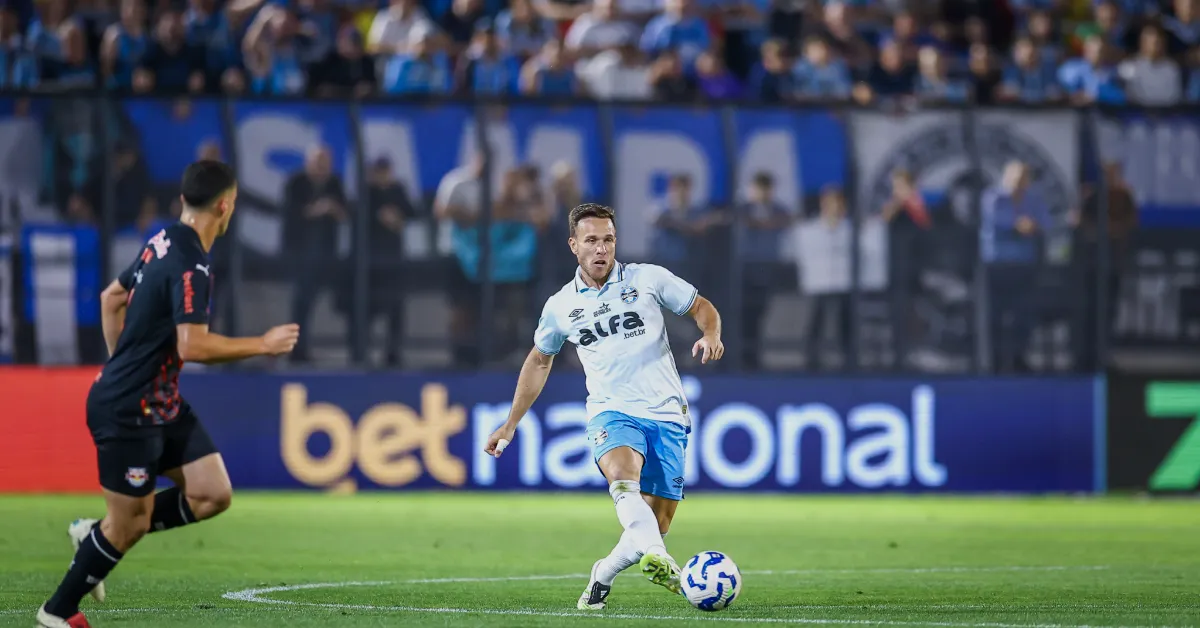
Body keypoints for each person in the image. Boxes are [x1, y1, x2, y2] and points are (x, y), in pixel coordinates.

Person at [36, 161, 300, 628]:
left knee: (212, 493)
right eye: (234, 202)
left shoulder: (162, 242)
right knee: (130, 525)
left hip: (158, 400)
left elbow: (110, 299)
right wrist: (262, 344)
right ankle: (57, 612)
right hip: (128, 409)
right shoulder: (192, 265)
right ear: (225, 205)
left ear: (184, 201)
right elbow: (192, 345)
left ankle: (96, 536)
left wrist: (121, 361)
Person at [483, 203, 724, 610]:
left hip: (666, 411)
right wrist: (510, 424)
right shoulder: (561, 306)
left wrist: (712, 335)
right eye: (591, 240)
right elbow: (540, 360)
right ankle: (662, 562)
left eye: (608, 239)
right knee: (621, 473)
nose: (601, 249)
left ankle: (604, 573)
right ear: (574, 245)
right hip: (611, 410)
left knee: (656, 522)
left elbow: (702, 307)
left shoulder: (647, 279)